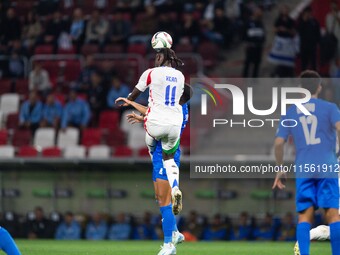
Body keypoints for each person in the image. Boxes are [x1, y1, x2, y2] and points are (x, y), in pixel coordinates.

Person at [272, 70, 340, 255]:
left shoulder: (291, 112)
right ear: (319, 86)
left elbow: (279, 143)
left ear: (301, 88)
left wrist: (280, 168)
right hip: (328, 164)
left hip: (305, 167)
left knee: (304, 216)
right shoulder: (330, 108)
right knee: (333, 215)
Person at [242, 7, 265, 77]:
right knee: (248, 63)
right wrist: (246, 42)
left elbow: (263, 34)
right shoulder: (248, 22)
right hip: (250, 46)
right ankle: (245, 77)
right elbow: (244, 33)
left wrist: (262, 41)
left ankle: (255, 78)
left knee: (257, 63)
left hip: (258, 46)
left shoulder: (260, 23)